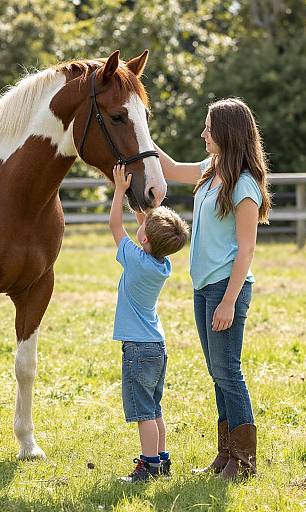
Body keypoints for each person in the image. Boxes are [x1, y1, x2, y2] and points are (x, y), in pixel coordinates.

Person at [153, 97, 272, 479]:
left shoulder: (246, 185)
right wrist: (136, 130)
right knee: (217, 372)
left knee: (228, 372)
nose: (203, 133)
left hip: (226, 288)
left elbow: (247, 250)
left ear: (226, 132)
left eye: (208, 127)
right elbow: (169, 169)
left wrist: (229, 301)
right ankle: (226, 455)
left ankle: (244, 461)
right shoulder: (211, 169)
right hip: (203, 287)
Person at [109, 164, 189, 483]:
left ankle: (149, 466)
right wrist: (147, 207)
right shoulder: (160, 263)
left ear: (144, 240)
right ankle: (162, 460)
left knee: (144, 413)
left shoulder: (136, 260)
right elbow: (146, 228)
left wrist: (118, 191)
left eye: (143, 228)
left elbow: (116, 226)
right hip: (156, 346)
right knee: (155, 409)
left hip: (139, 349)